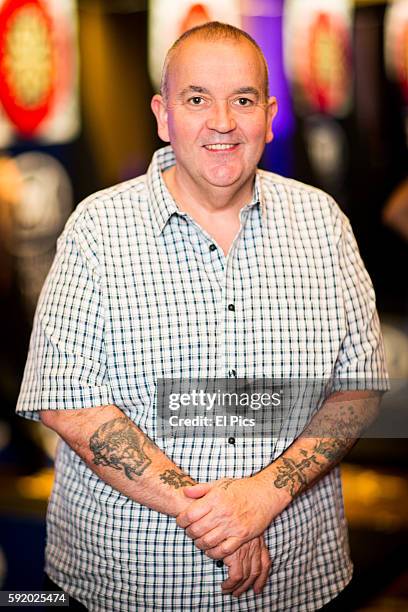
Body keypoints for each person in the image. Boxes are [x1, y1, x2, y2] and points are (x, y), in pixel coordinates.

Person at [17, 22, 388, 611]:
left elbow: (360, 387)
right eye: (197, 100)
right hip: (128, 583)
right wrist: (220, 518)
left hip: (299, 580)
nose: (222, 122)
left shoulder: (323, 223)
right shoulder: (98, 228)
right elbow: (68, 400)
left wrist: (263, 497)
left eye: (242, 100)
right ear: (163, 115)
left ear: (268, 115)